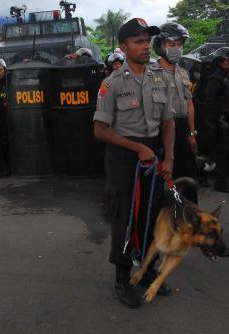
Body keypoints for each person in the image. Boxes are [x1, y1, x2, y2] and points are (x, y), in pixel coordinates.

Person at [93, 18, 175, 309]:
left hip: (152, 156)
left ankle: (147, 270)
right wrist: (137, 147)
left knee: (151, 217)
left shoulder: (159, 77)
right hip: (124, 157)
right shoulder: (111, 83)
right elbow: (100, 130)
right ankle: (122, 276)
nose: (145, 46)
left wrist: (169, 158)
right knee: (125, 218)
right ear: (123, 46)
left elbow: (168, 122)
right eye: (138, 41)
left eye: (147, 40)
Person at [152, 22, 198, 203]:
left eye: (180, 45)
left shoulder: (183, 73)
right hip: (160, 130)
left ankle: (189, 218)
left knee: (187, 178)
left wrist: (192, 133)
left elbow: (189, 104)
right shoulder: (150, 72)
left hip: (183, 129)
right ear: (161, 46)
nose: (177, 49)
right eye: (172, 44)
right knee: (161, 181)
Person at [200, 46, 229, 193]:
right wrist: (218, 120)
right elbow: (210, 101)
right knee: (214, 152)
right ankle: (215, 180)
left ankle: (210, 178)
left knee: (219, 153)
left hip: (227, 121)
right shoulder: (215, 78)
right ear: (219, 61)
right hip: (216, 122)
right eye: (226, 60)